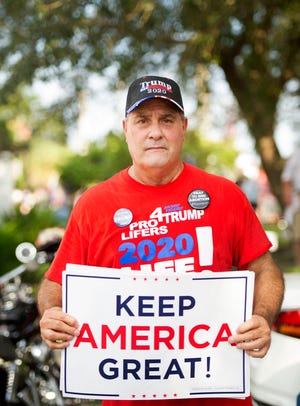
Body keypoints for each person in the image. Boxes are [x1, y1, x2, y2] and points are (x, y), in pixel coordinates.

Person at [38, 75, 284, 406]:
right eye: (143, 120)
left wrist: (262, 315)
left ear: (183, 127)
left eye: (166, 119)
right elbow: (54, 284)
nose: (155, 131)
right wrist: (51, 313)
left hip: (219, 395)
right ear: (126, 128)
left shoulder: (225, 196)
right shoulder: (94, 205)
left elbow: (265, 269)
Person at [281, 144, 300, 266]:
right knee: (298, 235)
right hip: (298, 201)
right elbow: (286, 177)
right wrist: (288, 196)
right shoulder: (296, 154)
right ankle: (299, 263)